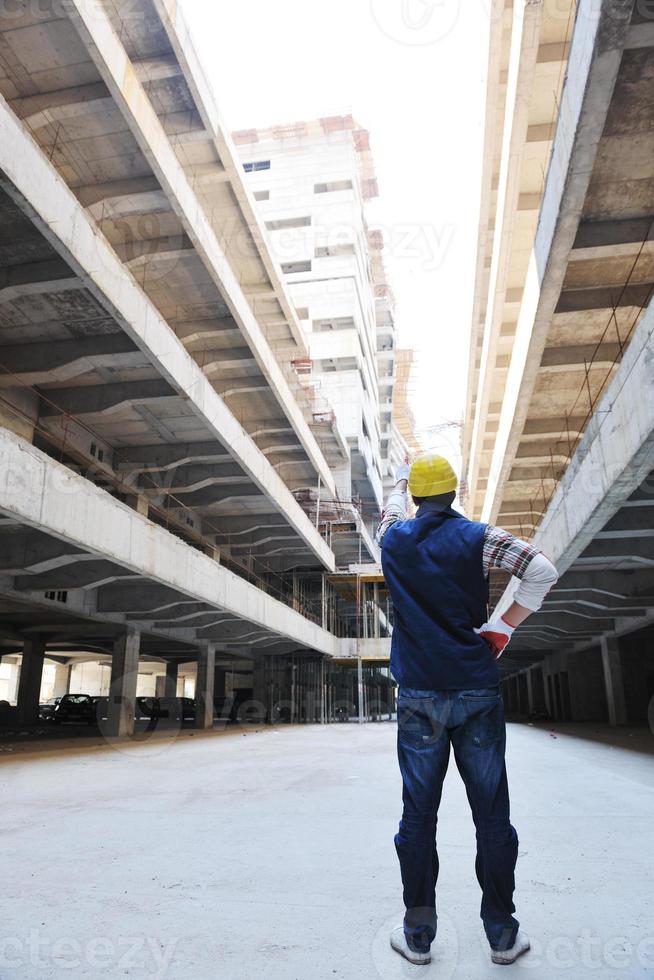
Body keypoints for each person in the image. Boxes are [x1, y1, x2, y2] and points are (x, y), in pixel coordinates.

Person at [376, 454, 558, 967]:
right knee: (492, 817)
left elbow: (388, 513)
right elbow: (542, 571)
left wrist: (398, 477)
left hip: (418, 695)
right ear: (454, 493)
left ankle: (417, 935)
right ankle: (502, 936)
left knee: (418, 817)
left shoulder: (393, 537)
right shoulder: (481, 537)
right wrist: (503, 626)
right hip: (476, 690)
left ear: (415, 496)